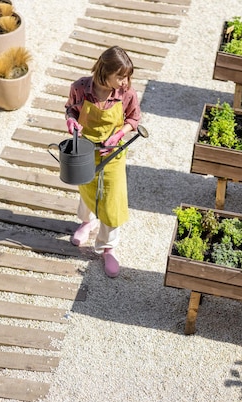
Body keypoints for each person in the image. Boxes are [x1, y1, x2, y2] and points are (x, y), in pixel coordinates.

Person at [64, 46, 141, 278]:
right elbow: (71, 111)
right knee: (86, 189)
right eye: (120, 76)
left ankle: (109, 247)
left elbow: (134, 119)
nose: (125, 81)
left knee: (112, 201)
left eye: (127, 76)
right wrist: (70, 122)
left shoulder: (127, 94)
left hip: (112, 154)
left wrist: (119, 135)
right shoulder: (80, 88)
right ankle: (86, 223)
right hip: (85, 149)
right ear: (104, 72)